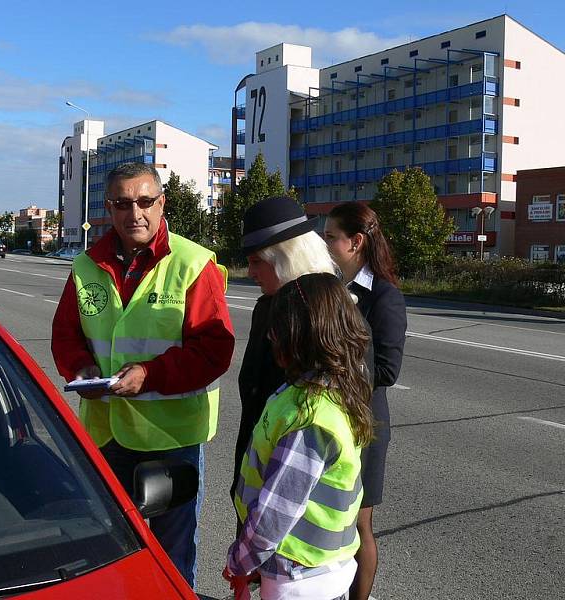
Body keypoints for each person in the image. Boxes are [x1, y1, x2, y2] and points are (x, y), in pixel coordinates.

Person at [51, 162, 234, 586]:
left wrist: (149, 375)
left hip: (172, 441)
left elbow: (213, 350)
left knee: (171, 558)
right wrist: (82, 367)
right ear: (108, 209)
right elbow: (66, 335)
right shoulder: (86, 266)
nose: (135, 213)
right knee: (111, 554)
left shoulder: (192, 263)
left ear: (161, 203)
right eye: (122, 203)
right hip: (107, 433)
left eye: (145, 201)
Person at [225, 273, 374, 600]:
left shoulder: (309, 419)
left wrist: (240, 562)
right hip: (314, 569)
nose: (271, 338)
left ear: (298, 337)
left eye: (277, 331)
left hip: (299, 580)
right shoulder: (326, 393)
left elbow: (274, 514)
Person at [325, 201, 407, 600]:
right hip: (328, 420)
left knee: (359, 524)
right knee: (329, 519)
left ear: (355, 242)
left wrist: (336, 370)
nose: (326, 245)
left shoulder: (384, 296)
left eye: (331, 238)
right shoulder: (332, 288)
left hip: (365, 424)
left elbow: (388, 370)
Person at [233, 196, 338, 499]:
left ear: (287, 257)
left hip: (298, 494)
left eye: (257, 261)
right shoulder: (267, 307)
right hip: (256, 477)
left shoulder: (332, 318)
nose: (250, 272)